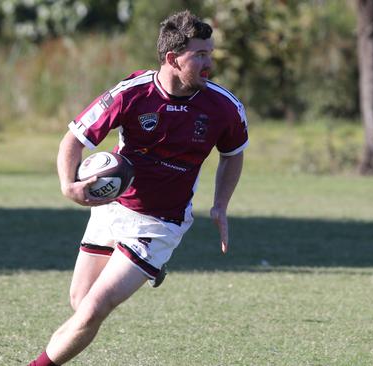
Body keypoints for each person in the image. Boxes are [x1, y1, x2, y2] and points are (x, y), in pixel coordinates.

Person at [28, 10, 248, 366]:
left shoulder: (223, 107)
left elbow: (232, 154)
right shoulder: (131, 94)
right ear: (172, 59)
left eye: (211, 53)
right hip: (113, 208)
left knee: (92, 312)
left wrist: (220, 205)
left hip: (159, 223)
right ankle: (150, 268)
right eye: (200, 55)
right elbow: (73, 140)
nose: (209, 63)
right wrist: (69, 186)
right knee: (80, 303)